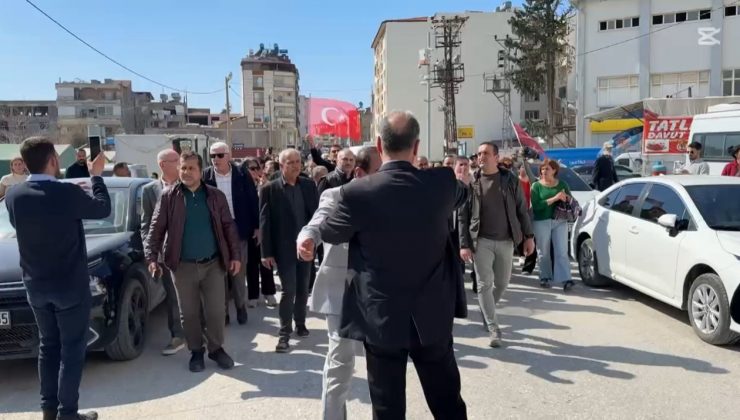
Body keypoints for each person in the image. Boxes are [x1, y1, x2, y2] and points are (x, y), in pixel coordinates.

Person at [319, 111, 469, 419]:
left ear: (378, 144)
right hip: (432, 315)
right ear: (416, 146)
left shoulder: (357, 192)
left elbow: (332, 231)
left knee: (387, 409)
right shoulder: (442, 182)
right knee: (447, 403)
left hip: (381, 317)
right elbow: (463, 193)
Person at [5, 136, 110, 420]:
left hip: (36, 286)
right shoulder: (66, 193)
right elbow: (102, 209)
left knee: (48, 347)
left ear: (25, 164)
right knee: (72, 350)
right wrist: (96, 176)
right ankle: (68, 414)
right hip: (69, 287)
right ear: (53, 160)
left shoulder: (13, 196)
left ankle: (48, 411)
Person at [296, 146, 382, 420]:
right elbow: (317, 223)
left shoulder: (390, 199)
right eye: (381, 172)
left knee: (382, 368)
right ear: (359, 173)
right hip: (341, 291)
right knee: (339, 363)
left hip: (381, 293)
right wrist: (306, 239)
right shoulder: (335, 195)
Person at [145, 151, 242, 373]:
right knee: (188, 313)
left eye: (191, 168)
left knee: (217, 311)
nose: (187, 172)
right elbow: (156, 229)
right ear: (178, 170)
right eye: (183, 168)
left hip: (213, 265)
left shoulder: (215, 196)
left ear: (200, 171)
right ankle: (196, 351)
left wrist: (235, 256)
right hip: (182, 266)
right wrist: (152, 257)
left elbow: (228, 226)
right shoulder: (169, 196)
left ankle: (216, 349)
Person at [458, 142, 535, 348]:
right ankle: (494, 328)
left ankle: (486, 310)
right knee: (484, 284)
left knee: (502, 283)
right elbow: (463, 217)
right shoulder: (472, 182)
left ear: (496, 157)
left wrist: (528, 236)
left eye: (485, 153)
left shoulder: (509, 180)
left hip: (506, 240)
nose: (481, 157)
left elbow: (521, 209)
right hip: (480, 241)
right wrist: (464, 244)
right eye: (479, 153)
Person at [260, 149, 319, 353]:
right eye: (291, 162)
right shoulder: (270, 189)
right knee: (289, 290)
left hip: (306, 247)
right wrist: (266, 252)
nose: (296, 165)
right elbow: (265, 222)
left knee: (303, 288)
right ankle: (284, 332)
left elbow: (317, 215)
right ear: (281, 165)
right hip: (284, 248)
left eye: (298, 161)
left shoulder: (309, 186)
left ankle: (300, 323)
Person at [203, 142, 260, 325]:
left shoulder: (242, 174)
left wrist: (257, 227)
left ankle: (240, 306)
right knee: (220, 272)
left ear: (228, 156)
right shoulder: (206, 175)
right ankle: (224, 312)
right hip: (215, 229)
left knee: (238, 271)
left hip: (239, 228)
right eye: (212, 156)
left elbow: (253, 200)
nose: (215, 160)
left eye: (219, 155)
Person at [141, 149, 186, 356]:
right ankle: (177, 336)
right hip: (166, 254)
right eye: (175, 160)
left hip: (192, 249)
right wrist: (151, 254)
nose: (180, 163)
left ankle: (200, 331)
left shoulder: (189, 185)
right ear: (163, 165)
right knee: (173, 295)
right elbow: (147, 224)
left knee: (198, 293)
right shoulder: (150, 191)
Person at [530, 159, 574, 292]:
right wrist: (555, 198)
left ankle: (566, 279)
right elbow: (537, 206)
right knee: (543, 251)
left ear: (554, 170)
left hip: (559, 221)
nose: (544, 171)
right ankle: (545, 277)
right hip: (541, 221)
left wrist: (565, 198)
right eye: (542, 169)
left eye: (547, 169)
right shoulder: (536, 186)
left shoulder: (562, 184)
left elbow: (570, 201)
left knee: (561, 250)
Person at [240, 158, 278, 308]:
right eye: (252, 168)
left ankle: (269, 293)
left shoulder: (268, 186)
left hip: (266, 229)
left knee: (266, 261)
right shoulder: (241, 186)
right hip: (249, 230)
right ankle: (253, 295)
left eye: (258, 168)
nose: (257, 171)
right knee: (251, 264)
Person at [517, 163, 537, 274]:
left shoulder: (533, 182)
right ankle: (521, 253)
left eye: (526, 167)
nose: (524, 169)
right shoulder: (515, 181)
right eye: (522, 167)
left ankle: (528, 266)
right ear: (518, 169)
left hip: (530, 213)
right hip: (517, 213)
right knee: (519, 236)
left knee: (531, 238)